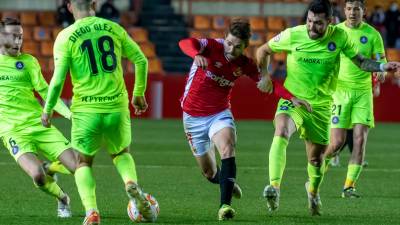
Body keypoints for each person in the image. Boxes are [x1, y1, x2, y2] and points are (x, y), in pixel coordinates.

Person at [256, 0, 400, 216]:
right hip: (293, 100)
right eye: (309, 21)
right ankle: (274, 188)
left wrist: (381, 66)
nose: (312, 27)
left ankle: (313, 192)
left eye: (318, 23)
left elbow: (361, 62)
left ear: (330, 22)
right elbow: (263, 50)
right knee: (282, 130)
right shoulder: (292, 34)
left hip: (322, 107)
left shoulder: (339, 37)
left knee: (316, 159)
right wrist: (265, 74)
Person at [178, 18, 308, 221]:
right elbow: (185, 43)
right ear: (225, 38)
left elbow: (269, 84)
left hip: (219, 114)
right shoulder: (211, 46)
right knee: (209, 172)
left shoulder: (245, 64)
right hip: (192, 118)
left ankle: (225, 207)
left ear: (245, 47)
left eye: (238, 47)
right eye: (229, 43)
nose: (231, 49)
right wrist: (195, 54)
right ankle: (225, 181)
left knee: (228, 147)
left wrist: (291, 98)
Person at [41, 0, 153, 224]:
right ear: (93, 3)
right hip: (116, 107)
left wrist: (48, 109)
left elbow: (57, 80)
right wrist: (138, 94)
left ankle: (91, 211)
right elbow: (141, 60)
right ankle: (130, 183)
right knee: (121, 153)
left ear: (70, 6)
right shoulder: (113, 28)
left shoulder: (65, 36)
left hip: (86, 111)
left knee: (83, 162)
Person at [0, 18, 79, 218]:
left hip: (39, 124)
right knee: (37, 176)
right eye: (13, 36)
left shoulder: (29, 62)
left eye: (20, 35)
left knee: (78, 167)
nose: (18, 40)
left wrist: (70, 115)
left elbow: (46, 93)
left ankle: (51, 168)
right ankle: (63, 199)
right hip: (13, 131)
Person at [324, 0, 387, 198]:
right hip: (340, 93)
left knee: (359, 141)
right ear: (344, 11)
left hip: (363, 93)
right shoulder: (335, 32)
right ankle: (315, 175)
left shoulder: (372, 34)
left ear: (364, 11)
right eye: (349, 9)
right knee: (336, 144)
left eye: (356, 9)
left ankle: (349, 186)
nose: (352, 13)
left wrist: (381, 71)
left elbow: (381, 58)